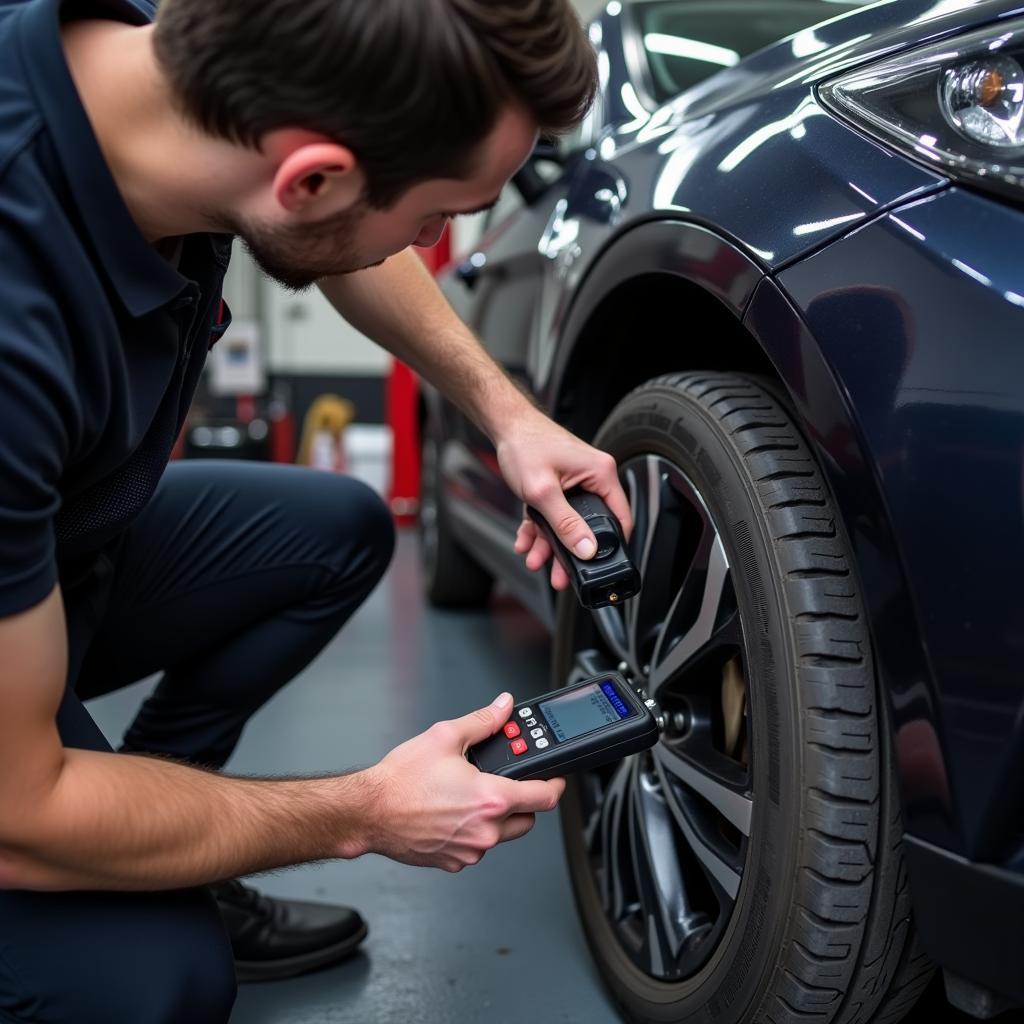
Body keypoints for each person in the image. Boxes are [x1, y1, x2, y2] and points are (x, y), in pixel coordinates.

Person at [0, 0, 634, 1019]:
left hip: (59, 555)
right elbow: (14, 813)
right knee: (156, 982)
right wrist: (360, 813)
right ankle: (136, 854)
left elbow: (358, 242)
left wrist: (508, 416)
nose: (436, 243)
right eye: (435, 218)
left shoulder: (169, 65)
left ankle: (157, 831)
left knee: (337, 532)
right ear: (314, 180)